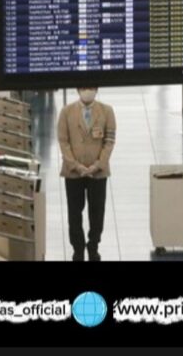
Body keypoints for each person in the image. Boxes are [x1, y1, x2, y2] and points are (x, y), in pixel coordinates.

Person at [57, 87, 116, 261]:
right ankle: (78, 248)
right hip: (73, 173)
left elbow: (109, 141)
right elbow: (63, 142)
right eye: (83, 88)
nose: (87, 91)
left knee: (97, 212)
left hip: (98, 173)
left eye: (90, 88)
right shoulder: (66, 112)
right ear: (77, 90)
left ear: (96, 90)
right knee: (74, 212)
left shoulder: (106, 111)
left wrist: (98, 165)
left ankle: (93, 245)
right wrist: (76, 166)